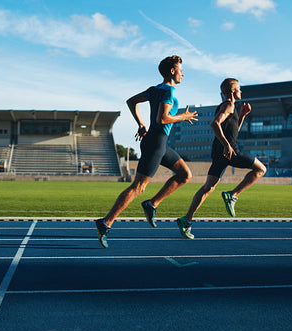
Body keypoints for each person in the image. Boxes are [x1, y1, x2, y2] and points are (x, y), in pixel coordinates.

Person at [95, 55, 198, 248]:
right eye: (181, 70)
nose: (183, 73)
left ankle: (152, 204)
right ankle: (105, 222)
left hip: (157, 142)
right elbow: (163, 119)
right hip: (156, 143)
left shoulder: (154, 89)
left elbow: (131, 101)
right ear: (172, 71)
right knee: (138, 187)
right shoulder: (169, 91)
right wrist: (183, 116)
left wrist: (141, 123)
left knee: (185, 174)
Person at [176, 78, 267, 239]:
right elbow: (214, 124)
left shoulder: (230, 108)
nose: (241, 91)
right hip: (229, 152)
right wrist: (227, 145)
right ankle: (233, 195)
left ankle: (186, 220)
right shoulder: (228, 105)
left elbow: (232, 133)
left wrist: (243, 116)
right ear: (232, 91)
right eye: (239, 89)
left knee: (208, 188)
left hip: (220, 153)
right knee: (261, 169)